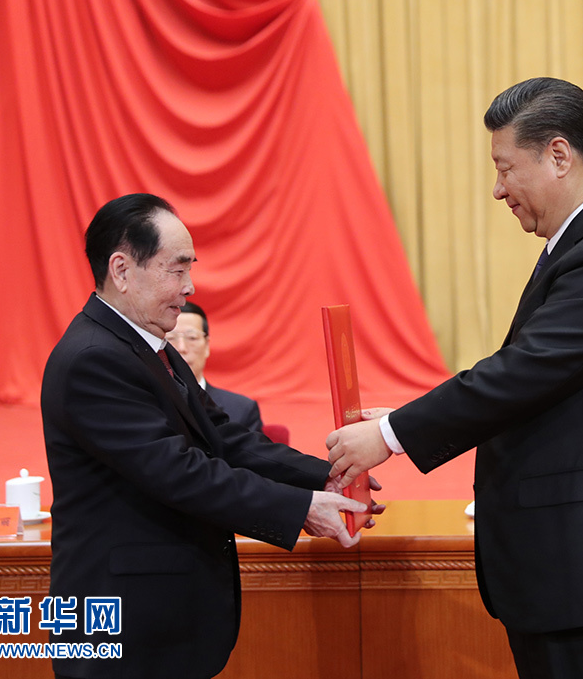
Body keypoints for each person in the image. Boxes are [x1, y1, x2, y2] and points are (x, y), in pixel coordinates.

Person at [326, 78, 583, 679]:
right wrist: (398, 420)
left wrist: (392, 435)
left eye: (504, 169)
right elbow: (541, 384)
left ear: (558, 155)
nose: (498, 190)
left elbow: (522, 374)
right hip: (574, 576)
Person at [41, 193, 379, 679]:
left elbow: (223, 436)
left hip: (164, 613)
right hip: (123, 622)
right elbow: (179, 472)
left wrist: (325, 475)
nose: (190, 286)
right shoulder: (93, 359)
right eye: (176, 270)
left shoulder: (147, 345)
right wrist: (299, 508)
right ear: (121, 269)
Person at [169, 301, 265, 433]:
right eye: (170, 338)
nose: (181, 348)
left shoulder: (241, 409)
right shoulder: (145, 402)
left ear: (207, 345)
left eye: (192, 338)